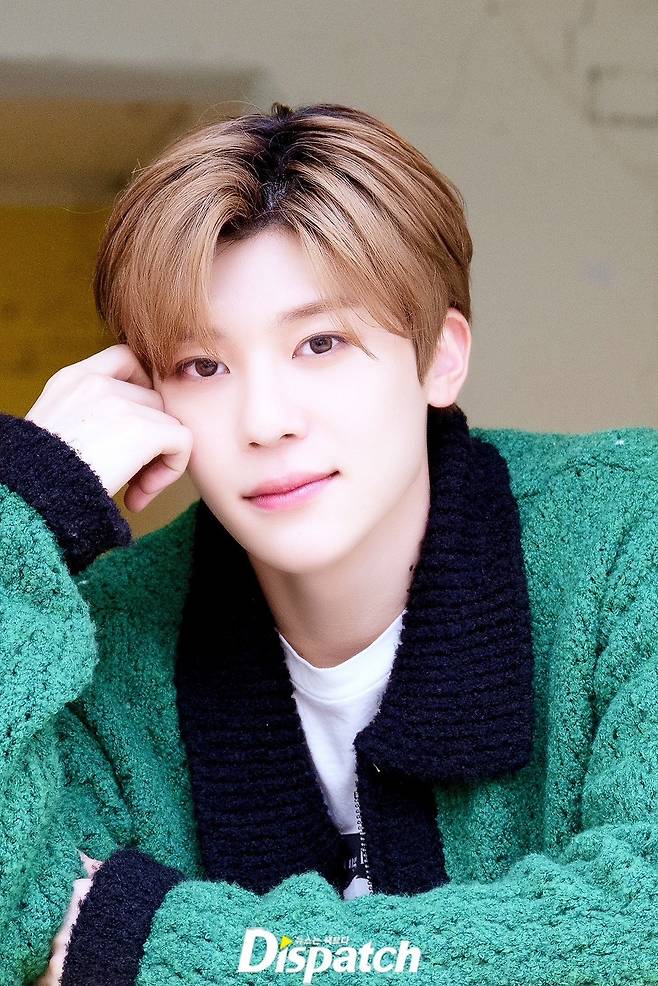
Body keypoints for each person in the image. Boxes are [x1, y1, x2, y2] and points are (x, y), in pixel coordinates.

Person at [0, 100, 656, 986]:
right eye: (203, 365)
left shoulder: (629, 531)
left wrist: (147, 946)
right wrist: (28, 502)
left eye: (320, 343)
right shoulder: (102, 641)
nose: (265, 420)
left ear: (440, 357)